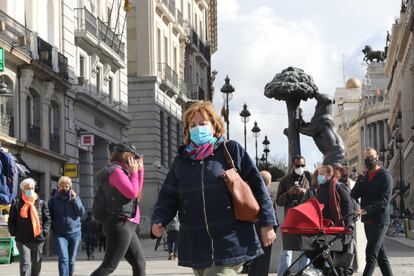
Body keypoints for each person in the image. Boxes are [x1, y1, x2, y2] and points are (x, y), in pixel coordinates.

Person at [151, 101, 277, 276]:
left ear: (214, 126)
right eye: (193, 125)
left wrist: (267, 224)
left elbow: (258, 186)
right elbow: (168, 195)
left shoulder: (231, 150)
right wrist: (159, 220)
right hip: (197, 242)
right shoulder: (182, 161)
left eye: (202, 124)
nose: (197, 128)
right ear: (187, 130)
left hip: (231, 238)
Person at [91, 143, 146, 276]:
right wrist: (134, 172)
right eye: (134, 157)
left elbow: (137, 193)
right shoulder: (116, 172)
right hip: (120, 223)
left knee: (139, 263)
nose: (136, 161)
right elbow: (131, 193)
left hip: (127, 223)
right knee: (109, 266)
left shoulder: (124, 172)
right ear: (127, 156)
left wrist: (139, 171)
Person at [351, 147, 394, 276]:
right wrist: (360, 177)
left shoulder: (385, 176)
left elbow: (384, 200)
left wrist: (365, 210)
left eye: (371, 157)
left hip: (380, 220)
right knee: (381, 256)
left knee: (371, 254)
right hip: (368, 221)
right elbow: (353, 194)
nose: (368, 160)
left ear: (377, 157)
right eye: (366, 158)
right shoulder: (365, 177)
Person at [8, 178, 51, 276]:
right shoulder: (16, 203)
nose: (30, 190)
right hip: (22, 239)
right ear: (22, 190)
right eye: (27, 188)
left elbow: (47, 219)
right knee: (25, 263)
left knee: (36, 263)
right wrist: (14, 232)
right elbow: (11, 221)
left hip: (38, 238)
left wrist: (44, 232)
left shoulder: (41, 203)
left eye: (32, 188)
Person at [276, 155, 311, 276]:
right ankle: (283, 273)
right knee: (287, 250)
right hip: (289, 219)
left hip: (305, 220)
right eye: (297, 165)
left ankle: (302, 273)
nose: (300, 168)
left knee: (305, 250)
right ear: (292, 165)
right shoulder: (285, 180)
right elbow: (279, 202)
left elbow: (316, 196)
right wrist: (289, 192)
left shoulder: (309, 178)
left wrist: (305, 192)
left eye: (302, 165)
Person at [49, 176, 85, 276]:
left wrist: (74, 199)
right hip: (59, 234)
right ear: (58, 186)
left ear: (70, 187)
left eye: (67, 186)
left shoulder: (75, 197)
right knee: (64, 258)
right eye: (62, 186)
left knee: (71, 260)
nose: (64, 188)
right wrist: (52, 228)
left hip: (75, 233)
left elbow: (81, 212)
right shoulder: (53, 200)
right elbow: (49, 216)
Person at [248, 170, 278, 276]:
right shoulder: (267, 195)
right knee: (263, 261)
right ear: (267, 182)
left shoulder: (249, 193)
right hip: (265, 231)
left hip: (252, 230)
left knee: (254, 260)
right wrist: (274, 230)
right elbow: (271, 214)